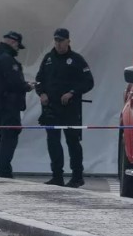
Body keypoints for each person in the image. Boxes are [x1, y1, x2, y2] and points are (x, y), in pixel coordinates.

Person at [35, 28, 94, 187]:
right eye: (56, 41)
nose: (59, 44)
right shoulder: (48, 59)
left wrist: (72, 93)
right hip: (51, 110)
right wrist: (41, 94)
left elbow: (89, 82)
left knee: (73, 142)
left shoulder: (76, 59)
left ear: (68, 41)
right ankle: (57, 176)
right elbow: (38, 80)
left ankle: (77, 176)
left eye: (61, 41)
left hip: (70, 109)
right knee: (53, 142)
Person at [0, 31, 35, 178]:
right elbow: (14, 83)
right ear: (13, 42)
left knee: (2, 139)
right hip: (10, 106)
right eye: (18, 46)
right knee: (9, 138)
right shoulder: (8, 60)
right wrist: (28, 86)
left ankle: (2, 170)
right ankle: (4, 173)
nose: (18, 50)